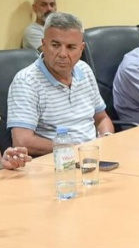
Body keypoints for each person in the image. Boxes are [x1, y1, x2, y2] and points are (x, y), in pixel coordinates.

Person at [7, 12, 114, 157]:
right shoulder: (26, 81)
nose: (63, 54)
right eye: (55, 45)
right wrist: (73, 149)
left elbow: (101, 118)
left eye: (71, 47)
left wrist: (106, 138)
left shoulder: (84, 70)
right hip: (58, 162)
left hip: (93, 156)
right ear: (44, 45)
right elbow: (23, 141)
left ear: (81, 49)